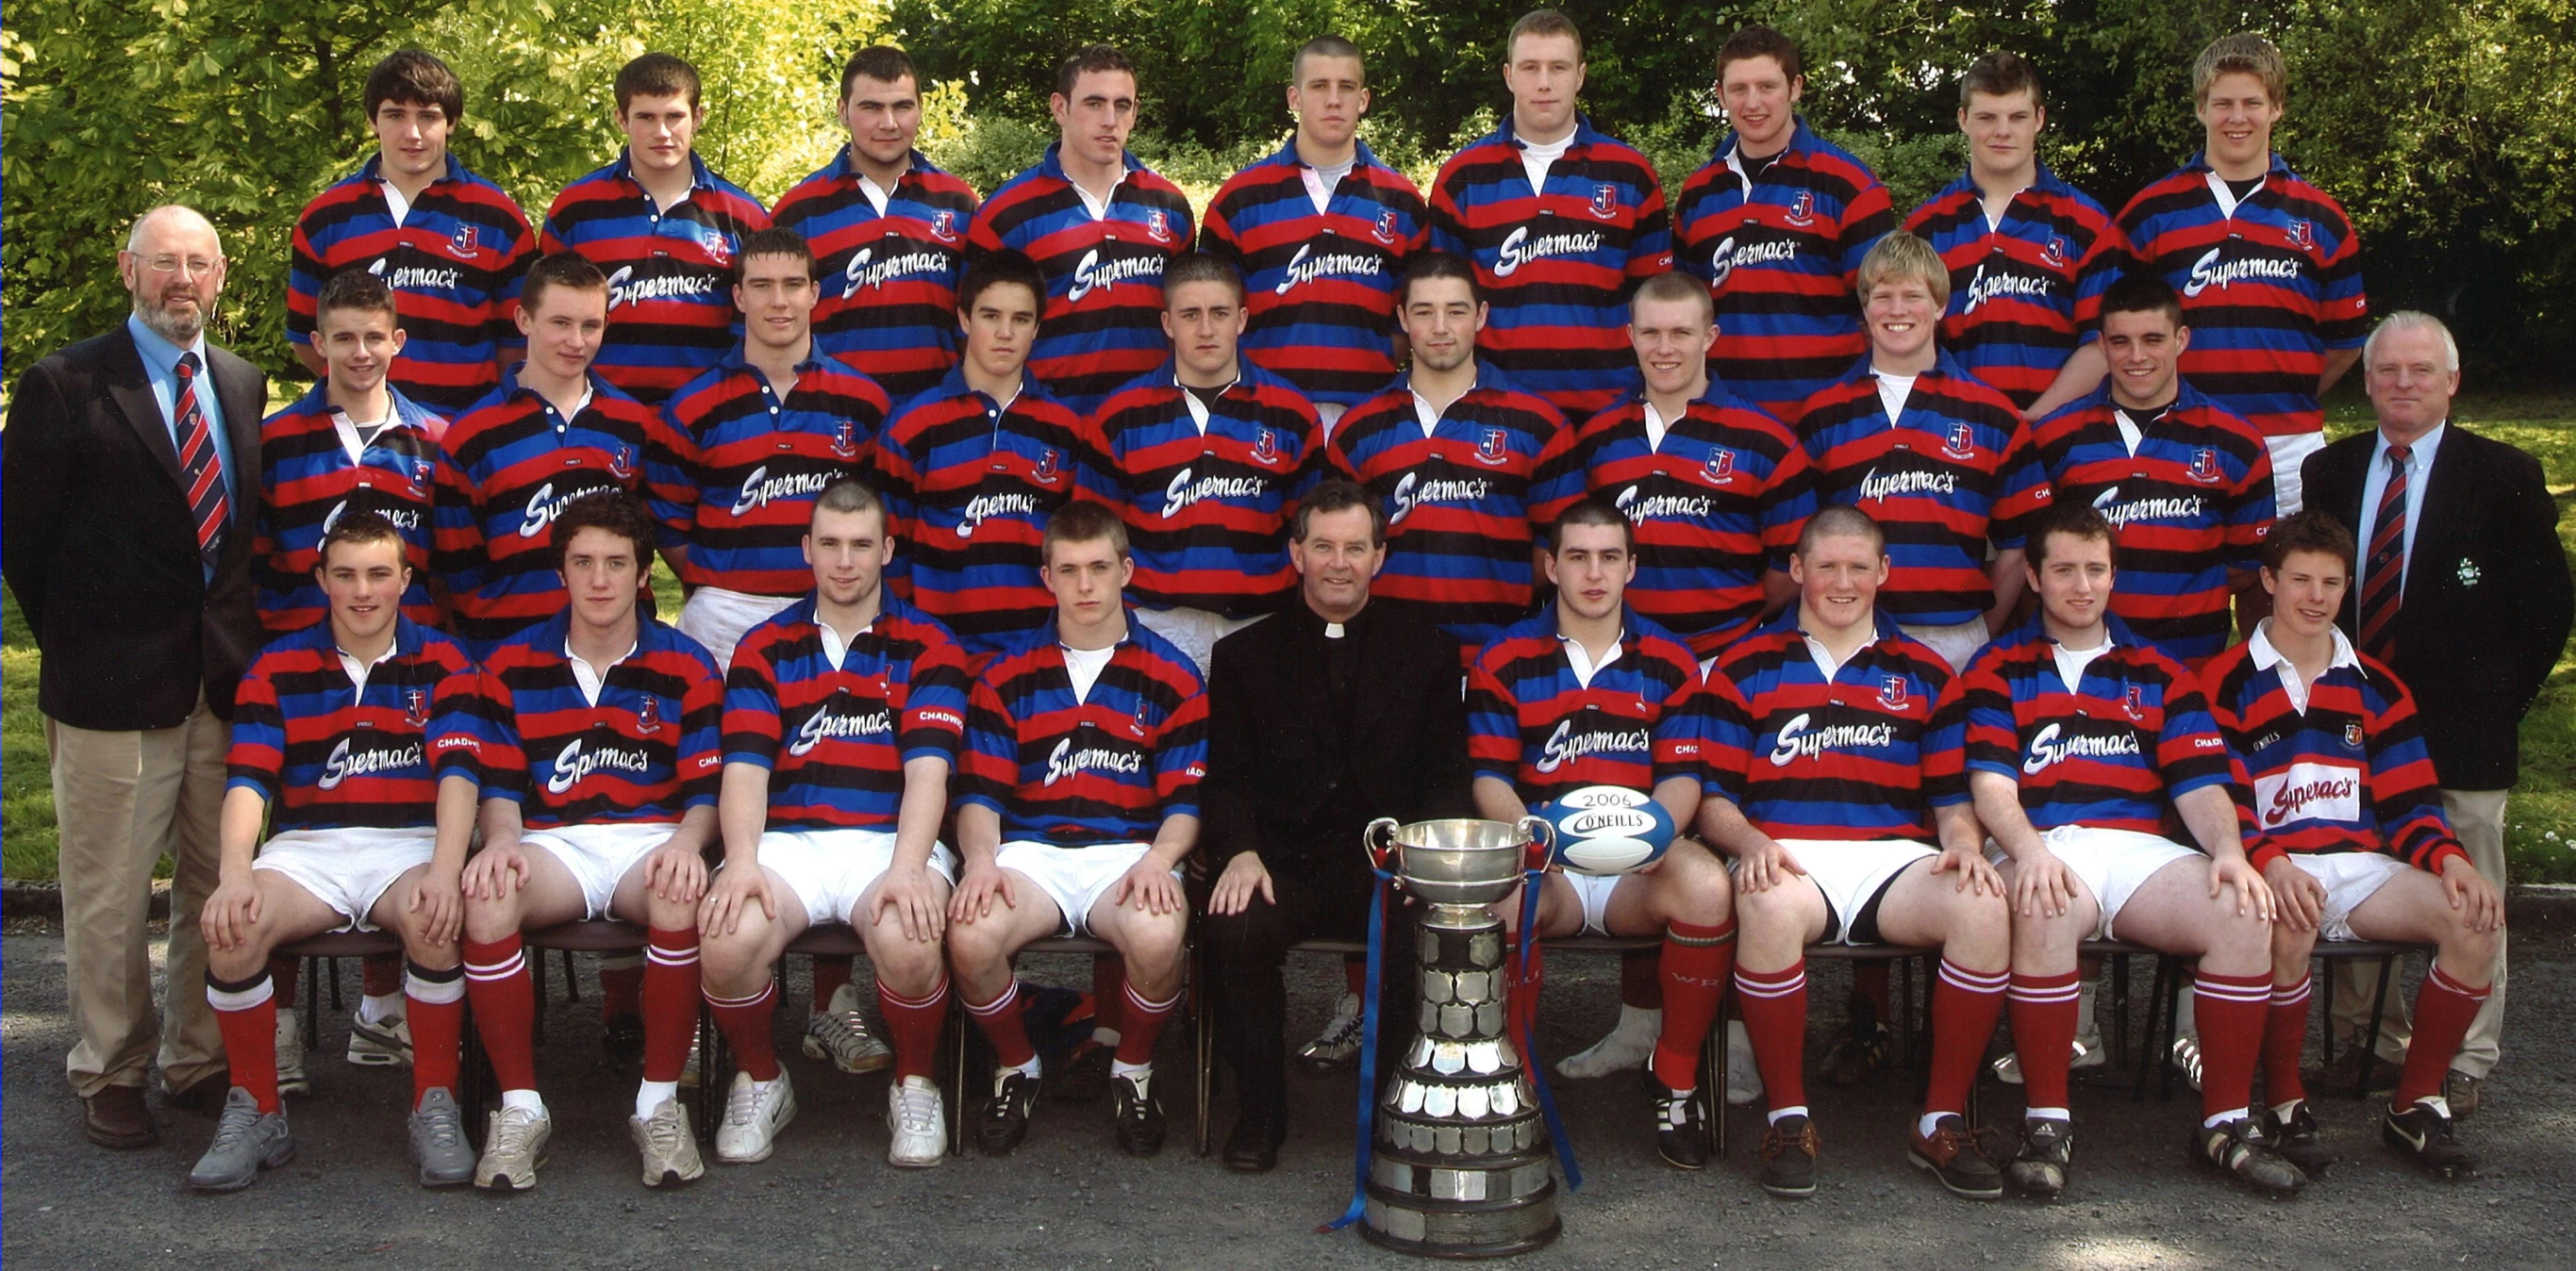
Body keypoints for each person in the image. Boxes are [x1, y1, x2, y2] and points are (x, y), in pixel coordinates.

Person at [4, 205, 267, 1147]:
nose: (181, 281)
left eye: (198, 264)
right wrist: (84, 642)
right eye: (164, 264)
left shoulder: (241, 383)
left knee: (213, 883)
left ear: (222, 276)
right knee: (110, 892)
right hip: (111, 689)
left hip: (219, 684)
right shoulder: (67, 383)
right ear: (128, 271)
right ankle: (110, 1067)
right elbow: (24, 547)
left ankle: (198, 1057)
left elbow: (242, 540)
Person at [1953, 503, 2297, 1198]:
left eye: (2095, 570)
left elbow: (2200, 784)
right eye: (2063, 571)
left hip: (2137, 848)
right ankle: (2046, 1123)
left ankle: (2224, 1124)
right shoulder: (1996, 666)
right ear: (2033, 576)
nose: (2081, 586)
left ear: (2113, 576)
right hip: (2044, 842)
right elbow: (1990, 785)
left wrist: (2229, 851)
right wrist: (2027, 852)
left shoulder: (2159, 670)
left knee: (2239, 909)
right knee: (2045, 903)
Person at [2299, 311, 2572, 1114]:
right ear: (2367, 379)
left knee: (2472, 896)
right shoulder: (2330, 470)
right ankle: (2363, 1042)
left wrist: (2498, 701)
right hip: (2351, 730)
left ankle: (2462, 1060)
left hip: (2464, 732)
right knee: (2358, 877)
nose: (2402, 385)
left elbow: (2546, 610)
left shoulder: (2504, 475)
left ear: (2451, 382)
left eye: (2420, 371)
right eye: (2386, 371)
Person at [1697, 505, 2007, 1200]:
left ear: (1883, 573)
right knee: (1767, 901)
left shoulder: (1926, 673)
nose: (1842, 582)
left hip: (1889, 858)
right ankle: (1788, 1118)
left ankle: (1939, 1119)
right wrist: (1750, 842)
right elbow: (1711, 799)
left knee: (1982, 905)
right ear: (1797, 570)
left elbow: (1953, 800)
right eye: (1826, 566)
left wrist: (1962, 847)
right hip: (1785, 854)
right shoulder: (1743, 666)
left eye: (1858, 567)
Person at [2201, 510, 2504, 1177]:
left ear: (2346, 589)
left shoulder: (2377, 685)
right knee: (2285, 920)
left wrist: (2449, 859)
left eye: (2330, 583)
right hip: (2270, 866)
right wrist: (2270, 863)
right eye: (2300, 580)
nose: (2315, 597)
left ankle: (2415, 1104)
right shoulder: (2221, 683)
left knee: (2474, 921)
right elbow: (2216, 803)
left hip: (2360, 868)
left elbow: (2409, 805)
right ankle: (2283, 1103)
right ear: (2267, 582)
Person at [436, 493, 725, 1190]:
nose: (600, 580)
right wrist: (500, 842)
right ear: (560, 572)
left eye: (616, 564)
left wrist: (688, 843)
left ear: (641, 572)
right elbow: (500, 790)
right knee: (489, 895)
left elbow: (706, 794)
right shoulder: (509, 664)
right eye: (584, 563)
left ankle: (659, 1103)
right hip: (555, 841)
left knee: (678, 891)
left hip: (649, 838)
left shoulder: (688, 665)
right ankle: (520, 1108)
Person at [182, 513, 478, 1191]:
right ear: (321, 580)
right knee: (233, 931)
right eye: (344, 574)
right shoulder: (277, 665)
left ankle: (435, 1102)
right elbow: (248, 781)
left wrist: (444, 869)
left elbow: (460, 776)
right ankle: (257, 1109)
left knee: (436, 920)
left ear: (405, 580)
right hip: (309, 849)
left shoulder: (444, 660)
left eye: (378, 574)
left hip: (407, 846)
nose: (362, 591)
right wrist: (234, 876)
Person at [1198, 480, 1476, 1170]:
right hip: (1283, 863)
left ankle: (1395, 1112)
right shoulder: (1241, 657)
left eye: (1355, 547)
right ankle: (1259, 1113)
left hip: (1386, 867)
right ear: (1296, 554)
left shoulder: (1430, 653)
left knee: (1426, 926)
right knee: (1233, 924)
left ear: (1379, 557)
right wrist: (1237, 853)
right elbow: (1225, 778)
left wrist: (1426, 862)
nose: (1339, 562)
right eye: (1323, 546)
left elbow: (1446, 777)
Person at [694, 480, 972, 1167]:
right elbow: (744, 772)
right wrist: (743, 861)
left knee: (911, 939)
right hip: (789, 844)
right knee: (726, 941)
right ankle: (761, 1077)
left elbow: (927, 775)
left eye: (858, 546)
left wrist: (909, 869)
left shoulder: (929, 644)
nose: (844, 562)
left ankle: (915, 1082)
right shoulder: (764, 646)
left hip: (887, 840)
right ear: (806, 551)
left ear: (886, 549)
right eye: (828, 545)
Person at [1464, 498, 1737, 1169]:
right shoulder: (1503, 657)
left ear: (1630, 568)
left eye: (1609, 558)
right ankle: (1514, 1083)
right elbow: (1488, 778)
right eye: (1578, 557)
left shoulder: (1670, 660)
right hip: (1546, 867)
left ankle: (1673, 1078)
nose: (1594, 574)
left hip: (1631, 875)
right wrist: (1532, 841)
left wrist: (1657, 835)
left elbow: (1681, 777)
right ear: (1550, 566)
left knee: (1705, 886)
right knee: (1494, 900)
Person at [948, 503, 1207, 1158]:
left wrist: (1161, 859)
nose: (1085, 585)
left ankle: (1133, 1071)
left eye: (1098, 568)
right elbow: (978, 794)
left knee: (1156, 936)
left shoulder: (1173, 675)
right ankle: (1017, 1066)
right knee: (972, 937)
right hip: (1031, 852)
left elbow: (1185, 800)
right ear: (1047, 578)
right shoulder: (1006, 676)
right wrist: (980, 861)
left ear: (1126, 569)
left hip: (1127, 851)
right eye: (1069, 570)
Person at [1779, 232, 2052, 674]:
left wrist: (1983, 629)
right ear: (1865, 309)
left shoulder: (1992, 413)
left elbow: (2020, 540)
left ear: (1941, 305)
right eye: (1883, 296)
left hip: (1956, 639)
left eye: (1913, 296)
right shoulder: (1823, 414)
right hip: (1847, 635)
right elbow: (1798, 538)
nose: (1898, 310)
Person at [2116, 33, 2365, 518]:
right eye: (2222, 103)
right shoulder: (2150, 213)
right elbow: (2119, 333)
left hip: (2289, 446)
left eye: (2252, 102)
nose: (2237, 117)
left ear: (2276, 109)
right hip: (2177, 435)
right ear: (2200, 109)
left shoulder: (2322, 218)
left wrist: (2283, 393)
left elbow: (2345, 343)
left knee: (2286, 585)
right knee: (2186, 583)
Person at [1535, 269, 1808, 664]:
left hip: (1728, 658)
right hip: (1622, 658)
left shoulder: (1767, 440)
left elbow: (1791, 565)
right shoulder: (1597, 438)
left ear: (1709, 337)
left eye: (1681, 333)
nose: (1664, 348)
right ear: (1630, 335)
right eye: (1650, 333)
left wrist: (1731, 622)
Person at [651, 226, 889, 670]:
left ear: (815, 293)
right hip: (724, 616)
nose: (779, 301)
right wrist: (722, 583)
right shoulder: (692, 405)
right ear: (739, 297)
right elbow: (669, 520)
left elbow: (883, 511)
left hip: (832, 609)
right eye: (762, 286)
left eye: (793, 284)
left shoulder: (864, 402)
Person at [434, 251, 687, 661]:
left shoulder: (633, 425)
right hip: (509, 658)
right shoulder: (470, 435)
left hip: (622, 655)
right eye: (561, 324)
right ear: (523, 320)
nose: (576, 341)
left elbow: (646, 544)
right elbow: (458, 574)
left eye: (591, 326)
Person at [1426, 8, 1672, 421]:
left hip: (1610, 413)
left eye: (1558, 67)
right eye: (1530, 68)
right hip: (1492, 416)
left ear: (1580, 75)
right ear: (1508, 75)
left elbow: (1657, 303)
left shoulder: (1630, 175)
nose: (1543, 83)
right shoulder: (1463, 178)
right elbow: (1445, 308)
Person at [1089, 252, 1328, 672]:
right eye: (1190, 314)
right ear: (1167, 323)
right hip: (1157, 624)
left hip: (1261, 623)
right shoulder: (1120, 416)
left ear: (1241, 319)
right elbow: (1098, 534)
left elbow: (1309, 534)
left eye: (1219, 313)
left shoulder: (1291, 414)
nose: (1205, 329)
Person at [871, 248, 1112, 665]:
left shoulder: (1066, 430)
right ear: (964, 320)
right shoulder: (912, 427)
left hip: (1041, 657)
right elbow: (890, 553)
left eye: (1020, 319)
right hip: (938, 656)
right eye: (990, 316)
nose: (1005, 332)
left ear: (1037, 327)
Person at [2025, 273, 2273, 668]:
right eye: (2121, 341)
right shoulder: (2053, 438)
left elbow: (2246, 568)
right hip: (2080, 669)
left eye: (2153, 339)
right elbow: (2035, 559)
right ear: (2102, 346)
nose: (2136, 356)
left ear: (2181, 339)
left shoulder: (2237, 442)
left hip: (2194, 667)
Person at [1326, 252, 1565, 661]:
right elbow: (1336, 547)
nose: (1440, 328)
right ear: (1402, 318)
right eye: (1424, 312)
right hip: (1385, 660)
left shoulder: (1539, 425)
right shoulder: (1357, 429)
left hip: (1499, 661)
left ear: (1481, 315)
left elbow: (1557, 550)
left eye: (1456, 311)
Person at [286, 49, 538, 416]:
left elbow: (517, 342)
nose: (412, 133)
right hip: (360, 438)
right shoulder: (325, 218)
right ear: (373, 120)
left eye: (428, 116)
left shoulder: (499, 218)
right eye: (395, 115)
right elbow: (305, 338)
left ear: (451, 122)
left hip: (465, 436)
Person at [1199, 35, 1428, 425]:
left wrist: (1373, 355)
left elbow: (1418, 310)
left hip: (1370, 419)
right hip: (1263, 419)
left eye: (1346, 87)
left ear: (1364, 100)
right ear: (1294, 98)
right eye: (1319, 86)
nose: (1334, 100)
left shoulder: (1400, 201)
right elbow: (1209, 309)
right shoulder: (1240, 199)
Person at [1676, 25, 1895, 422]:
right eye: (1739, 89)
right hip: (1726, 427)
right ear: (1721, 95)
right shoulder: (1698, 195)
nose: (1753, 102)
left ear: (1795, 88)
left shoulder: (1849, 185)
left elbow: (1884, 311)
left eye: (1767, 86)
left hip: (1830, 424)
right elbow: (1685, 318)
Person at [967, 43, 1196, 419]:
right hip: (1047, 429)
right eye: (1094, 103)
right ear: (1060, 108)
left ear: (1135, 112)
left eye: (1122, 105)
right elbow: (975, 335)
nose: (1110, 119)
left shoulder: (1169, 207)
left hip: (1153, 428)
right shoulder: (1007, 214)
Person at [1902, 52, 2126, 420]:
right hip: (1951, 434)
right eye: (1987, 117)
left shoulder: (2087, 223)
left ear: (2039, 119)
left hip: (2061, 436)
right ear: (1963, 120)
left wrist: (2032, 419)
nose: (2002, 131)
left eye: (2017, 117)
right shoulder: (1926, 227)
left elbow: (2103, 344)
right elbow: (1909, 344)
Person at [541, 52, 771, 406]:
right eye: (646, 117)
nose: (661, 132)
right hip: (599, 418)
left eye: (674, 117)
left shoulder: (742, 214)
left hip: (711, 418)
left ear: (697, 118)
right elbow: (548, 323)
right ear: (621, 119)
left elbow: (759, 327)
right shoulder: (575, 211)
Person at [771, 45, 983, 405]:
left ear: (920, 110)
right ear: (843, 111)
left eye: (902, 106)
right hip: (833, 418)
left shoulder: (959, 204)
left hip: (939, 422)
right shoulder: (798, 212)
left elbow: (981, 320)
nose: (889, 123)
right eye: (871, 107)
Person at [256, 270, 448, 638]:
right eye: (345, 338)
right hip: (298, 665)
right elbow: (253, 567)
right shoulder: (275, 442)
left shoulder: (436, 443)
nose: (361, 353)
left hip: (409, 664)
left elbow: (448, 573)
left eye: (374, 337)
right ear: (319, 343)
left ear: (397, 341)